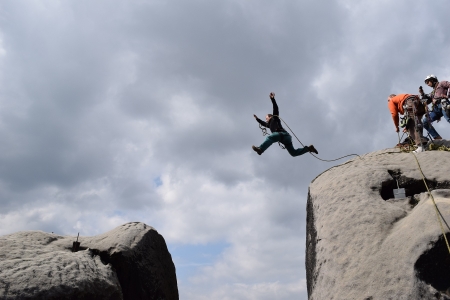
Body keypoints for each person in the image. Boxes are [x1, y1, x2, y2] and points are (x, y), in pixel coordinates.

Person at [252, 92, 318, 156]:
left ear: (270, 116)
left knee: (270, 137)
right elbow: (263, 123)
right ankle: (309, 149)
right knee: (293, 153)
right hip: (285, 140)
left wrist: (272, 99)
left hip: (282, 134)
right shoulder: (269, 125)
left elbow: (276, 108)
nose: (266, 120)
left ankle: (261, 149)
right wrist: (257, 119)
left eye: (266, 118)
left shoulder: (274, 118)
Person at [420, 75, 450, 140]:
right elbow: (427, 100)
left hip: (443, 104)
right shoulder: (433, 92)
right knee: (425, 122)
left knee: (449, 119)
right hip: (436, 109)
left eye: (428, 82)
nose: (427, 84)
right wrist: (422, 94)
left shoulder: (441, 83)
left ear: (432, 80)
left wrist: (447, 95)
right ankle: (437, 138)